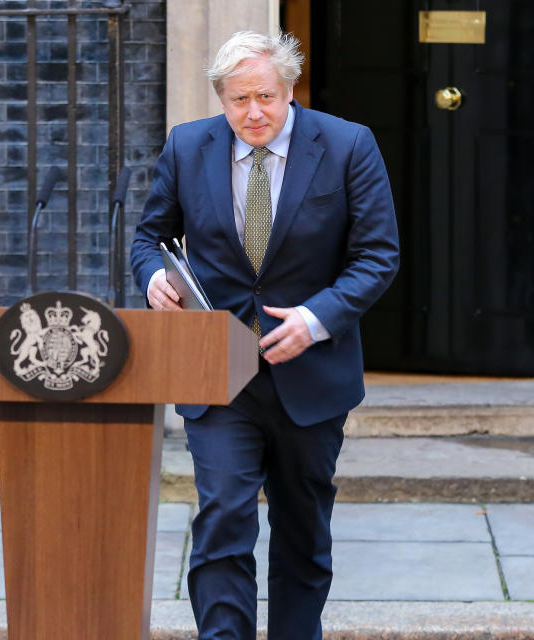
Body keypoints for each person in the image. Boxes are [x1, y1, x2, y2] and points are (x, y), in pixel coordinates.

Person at [130, 31, 400, 640]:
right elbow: (150, 237)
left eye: (266, 97)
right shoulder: (187, 146)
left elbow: (378, 256)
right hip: (217, 372)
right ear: (220, 99)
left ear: (290, 90)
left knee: (302, 531)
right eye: (238, 100)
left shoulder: (347, 145)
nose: (253, 113)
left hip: (311, 376)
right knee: (223, 517)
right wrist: (153, 279)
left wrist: (316, 318)